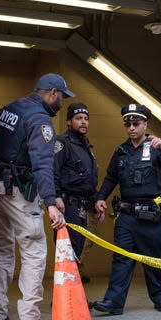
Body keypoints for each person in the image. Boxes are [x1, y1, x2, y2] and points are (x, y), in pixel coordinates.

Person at [0, 73, 70, 320]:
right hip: (17, 191)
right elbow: (43, 165)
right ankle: (31, 318)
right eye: (62, 96)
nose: (62, 102)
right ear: (52, 93)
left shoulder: (10, 108)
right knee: (34, 249)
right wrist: (51, 203)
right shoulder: (39, 119)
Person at [91, 104, 161, 315]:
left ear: (145, 124)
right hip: (127, 215)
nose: (131, 128)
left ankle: (160, 298)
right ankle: (113, 301)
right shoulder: (121, 151)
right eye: (128, 124)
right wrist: (100, 198)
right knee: (122, 258)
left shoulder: (157, 148)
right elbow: (111, 177)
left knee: (153, 260)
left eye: (136, 124)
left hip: (152, 216)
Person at [53, 102, 103, 281]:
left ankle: (73, 300)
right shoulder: (62, 143)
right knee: (69, 251)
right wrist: (56, 196)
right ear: (68, 121)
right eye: (78, 118)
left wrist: (96, 201)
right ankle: (66, 303)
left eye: (86, 119)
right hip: (68, 205)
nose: (83, 122)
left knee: (78, 252)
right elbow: (53, 172)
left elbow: (88, 182)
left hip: (83, 206)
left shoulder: (86, 146)